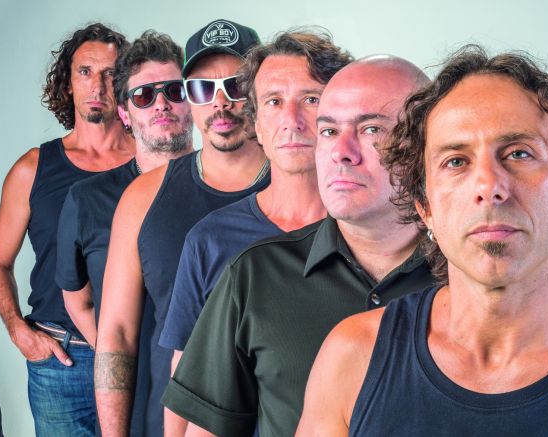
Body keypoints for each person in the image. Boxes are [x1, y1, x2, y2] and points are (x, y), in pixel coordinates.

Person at [297, 45, 548, 436]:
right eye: (456, 161)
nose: (489, 186)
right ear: (425, 207)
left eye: (518, 154)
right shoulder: (353, 357)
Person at [162, 55, 434, 437]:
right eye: (329, 131)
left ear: (424, 145)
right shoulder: (253, 275)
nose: (341, 151)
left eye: (372, 129)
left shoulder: (470, 278)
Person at [94, 19, 268, 437]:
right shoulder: (144, 197)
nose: (220, 102)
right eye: (203, 88)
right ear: (189, 98)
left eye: (236, 86)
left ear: (261, 91)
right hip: (173, 422)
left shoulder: (303, 189)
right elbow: (116, 335)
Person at [159, 28, 352, 375]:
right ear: (256, 121)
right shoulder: (210, 240)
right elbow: (186, 375)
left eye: (311, 99)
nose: (291, 121)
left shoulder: (371, 230)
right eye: (274, 102)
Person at [0, 23, 132, 436]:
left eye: (110, 74)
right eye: (85, 72)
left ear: (126, 83)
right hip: (59, 362)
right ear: (67, 83)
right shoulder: (33, 168)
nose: (97, 85)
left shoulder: (152, 163)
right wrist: (17, 329)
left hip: (136, 355)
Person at [55, 30, 192, 436]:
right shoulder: (88, 199)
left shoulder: (227, 189)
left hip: (211, 405)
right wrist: (116, 358)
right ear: (125, 113)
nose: (161, 104)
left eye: (174, 91)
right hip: (130, 407)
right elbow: (77, 300)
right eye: (144, 96)